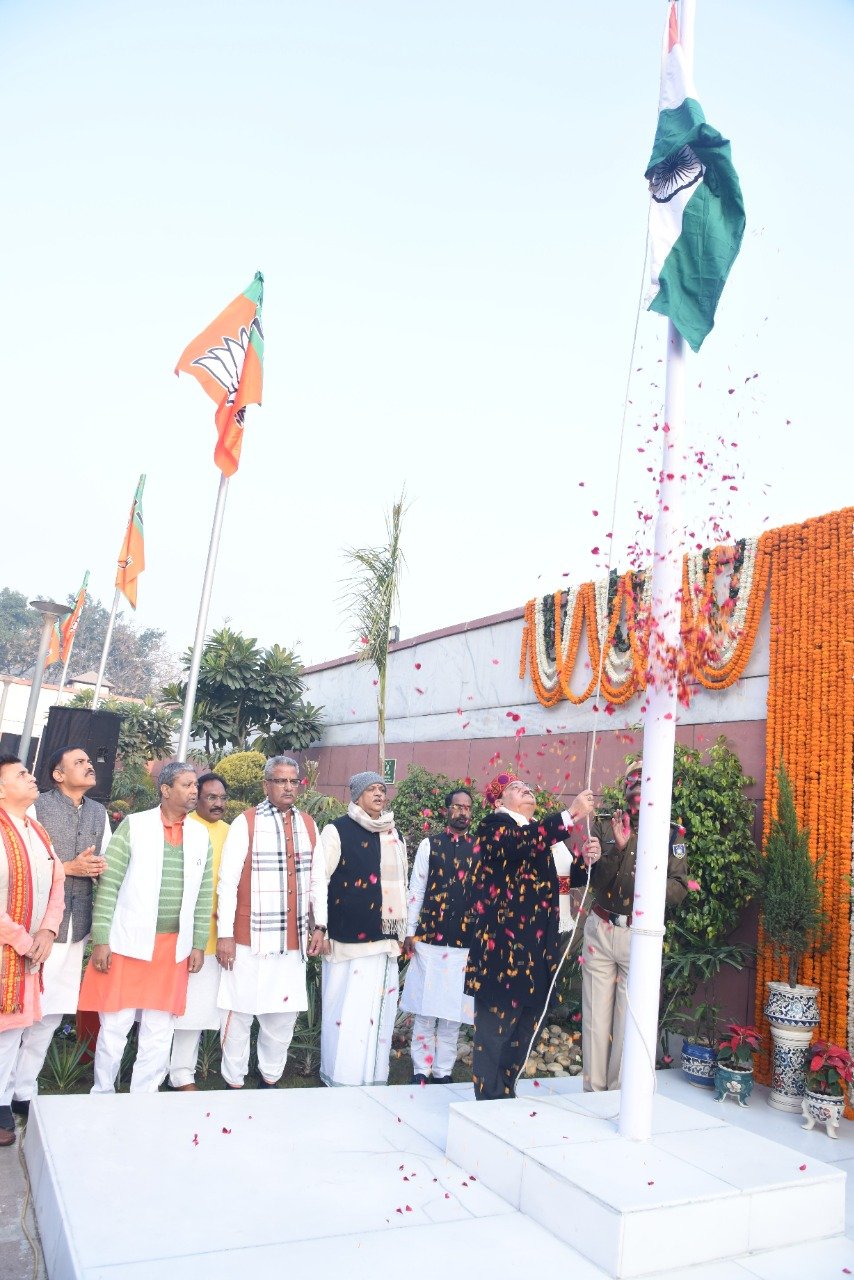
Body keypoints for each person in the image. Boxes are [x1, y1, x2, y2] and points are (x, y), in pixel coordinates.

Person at [78, 762, 213, 1094]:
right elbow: (108, 886)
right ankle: (103, 1093)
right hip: (128, 943)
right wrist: (101, 939)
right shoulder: (134, 826)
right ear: (165, 790)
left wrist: (197, 942)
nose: (195, 791)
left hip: (173, 947)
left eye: (196, 785)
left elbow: (204, 893)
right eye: (187, 785)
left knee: (160, 1028)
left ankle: (144, 1098)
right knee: (115, 1025)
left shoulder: (200, 834)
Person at [464, 774, 597, 1101]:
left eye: (528, 787)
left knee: (524, 1029)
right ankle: (487, 1098)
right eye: (516, 788)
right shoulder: (494, 828)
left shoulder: (544, 836)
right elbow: (519, 845)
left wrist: (584, 861)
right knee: (495, 1031)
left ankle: (505, 1092)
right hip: (503, 950)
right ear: (499, 802)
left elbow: (559, 883)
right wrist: (570, 815)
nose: (526, 789)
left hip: (540, 948)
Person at [8, 746, 110, 1119]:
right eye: (79, 762)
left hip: (75, 928)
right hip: (34, 930)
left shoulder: (99, 812)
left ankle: (24, 1090)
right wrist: (70, 867)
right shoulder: (36, 809)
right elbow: (26, 866)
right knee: (20, 1013)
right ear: (57, 774)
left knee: (50, 1014)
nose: (89, 766)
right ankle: (3, 1093)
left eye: (89, 761)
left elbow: (106, 865)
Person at [216, 756, 327, 1089]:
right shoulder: (246, 823)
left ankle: (270, 1079)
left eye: (293, 781)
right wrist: (225, 936)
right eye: (280, 781)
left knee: (282, 1017)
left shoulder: (308, 824)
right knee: (238, 1014)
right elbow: (227, 882)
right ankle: (233, 1083)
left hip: (291, 941)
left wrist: (319, 925)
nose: (288, 787)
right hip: (248, 941)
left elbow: (318, 879)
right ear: (266, 785)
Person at [582, 759, 690, 1092]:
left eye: (647, 777)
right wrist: (619, 847)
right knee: (595, 1020)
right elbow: (595, 880)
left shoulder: (672, 831)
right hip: (601, 928)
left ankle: (619, 1094)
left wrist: (646, 869)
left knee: (629, 1019)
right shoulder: (605, 824)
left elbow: (678, 889)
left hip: (638, 935)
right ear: (626, 785)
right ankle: (593, 1093)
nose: (639, 784)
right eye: (634, 777)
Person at [320, 771, 407, 1087]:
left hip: (383, 942)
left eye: (382, 789)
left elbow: (403, 886)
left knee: (376, 1015)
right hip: (344, 942)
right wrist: (321, 927)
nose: (379, 794)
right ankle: (338, 1076)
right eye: (371, 789)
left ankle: (373, 1077)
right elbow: (320, 880)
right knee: (343, 1012)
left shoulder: (393, 834)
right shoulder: (336, 831)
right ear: (356, 795)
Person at [0, 757, 65, 1147]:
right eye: (21, 774)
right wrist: (25, 940)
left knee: (11, 1032)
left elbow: (56, 883)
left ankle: (2, 1103)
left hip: (26, 951)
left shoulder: (37, 830)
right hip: (11, 948)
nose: (31, 777)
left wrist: (47, 930)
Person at [401, 787, 477, 1084]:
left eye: (467, 807)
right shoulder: (429, 846)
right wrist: (409, 931)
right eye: (457, 806)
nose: (462, 811)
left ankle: (443, 1071)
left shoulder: (480, 848)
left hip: (464, 943)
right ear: (447, 810)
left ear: (472, 812)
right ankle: (421, 1069)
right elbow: (416, 889)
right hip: (429, 940)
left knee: (452, 1013)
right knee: (425, 1009)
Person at [168, 772, 230, 1091]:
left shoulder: (232, 833)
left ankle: (181, 1073)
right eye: (210, 797)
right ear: (196, 798)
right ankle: (157, 1071)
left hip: (212, 937)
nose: (218, 803)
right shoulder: (184, 828)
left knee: (195, 1011)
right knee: (168, 1009)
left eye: (222, 798)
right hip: (175, 935)